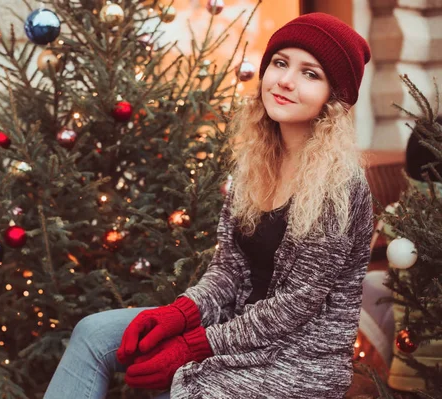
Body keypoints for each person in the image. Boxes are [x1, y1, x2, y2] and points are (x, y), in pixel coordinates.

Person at [44, 12, 373, 399]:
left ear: (334, 99)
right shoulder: (255, 165)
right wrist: (180, 314)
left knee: (181, 389)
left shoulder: (341, 187)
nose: (285, 80)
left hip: (295, 358)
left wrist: (194, 346)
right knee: (93, 334)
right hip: (231, 325)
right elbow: (228, 270)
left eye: (310, 73)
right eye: (280, 63)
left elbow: (293, 308)